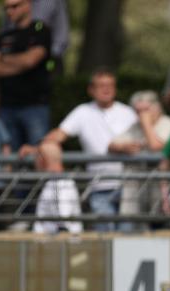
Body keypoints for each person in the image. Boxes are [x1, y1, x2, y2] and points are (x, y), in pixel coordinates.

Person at [42, 68, 137, 232]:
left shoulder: (128, 113)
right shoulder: (82, 112)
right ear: (91, 90)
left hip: (129, 186)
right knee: (105, 237)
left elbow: (141, 143)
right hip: (99, 186)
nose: (106, 89)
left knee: (127, 238)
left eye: (110, 85)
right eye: (101, 86)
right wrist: (37, 146)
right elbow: (59, 135)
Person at [0, 0, 53, 150]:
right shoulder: (4, 36)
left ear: (27, 5)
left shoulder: (40, 30)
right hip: (7, 106)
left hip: (35, 105)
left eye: (14, 6)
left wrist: (3, 60)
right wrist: (20, 64)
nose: (9, 11)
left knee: (39, 153)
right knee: (10, 157)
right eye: (6, 8)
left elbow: (31, 60)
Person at [109, 90, 170, 227]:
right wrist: (124, 147)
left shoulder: (168, 123)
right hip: (137, 194)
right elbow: (111, 145)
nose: (142, 114)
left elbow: (156, 146)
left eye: (146, 110)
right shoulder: (135, 127)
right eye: (138, 111)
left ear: (157, 107)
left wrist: (146, 124)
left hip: (162, 194)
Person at [1, 0, 69, 76]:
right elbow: (6, 30)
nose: (10, 11)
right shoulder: (14, 3)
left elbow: (61, 33)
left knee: (51, 83)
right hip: (16, 58)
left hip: (48, 59)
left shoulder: (54, 2)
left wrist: (49, 55)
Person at [33, 141, 81, 234]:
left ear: (42, 159)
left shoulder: (59, 183)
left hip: (59, 245)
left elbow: (63, 223)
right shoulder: (56, 182)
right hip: (54, 244)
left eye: (36, 157)